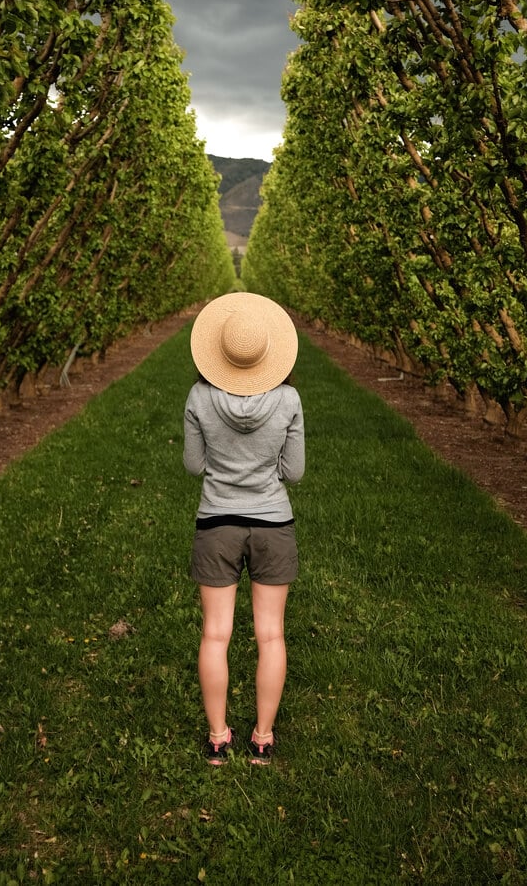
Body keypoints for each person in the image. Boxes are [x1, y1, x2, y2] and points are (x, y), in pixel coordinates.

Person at [183, 291, 305, 766]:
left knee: (216, 634)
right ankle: (262, 737)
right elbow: (293, 473)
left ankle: (217, 738)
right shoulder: (289, 399)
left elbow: (194, 465)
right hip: (273, 523)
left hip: (217, 522)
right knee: (270, 634)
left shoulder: (199, 396)